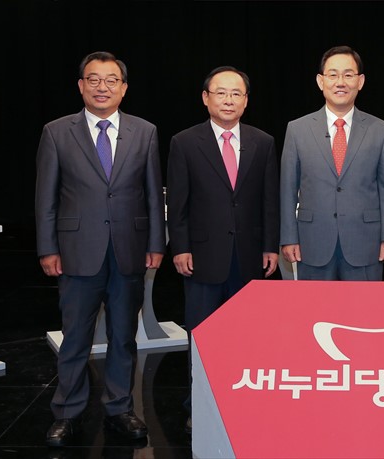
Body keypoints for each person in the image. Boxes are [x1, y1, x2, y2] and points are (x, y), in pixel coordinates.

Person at [35, 51, 165, 446]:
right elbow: (46, 198)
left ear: (124, 88)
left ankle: (119, 408)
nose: (102, 87)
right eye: (93, 79)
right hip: (76, 251)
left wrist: (155, 243)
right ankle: (67, 412)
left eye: (111, 80)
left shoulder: (145, 131)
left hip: (129, 250)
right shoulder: (57, 132)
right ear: (81, 86)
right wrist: (47, 248)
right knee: (75, 337)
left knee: (124, 336)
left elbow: (151, 193)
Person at [166, 66, 279, 434]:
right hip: (201, 257)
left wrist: (270, 246)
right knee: (202, 335)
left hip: (249, 256)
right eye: (221, 93)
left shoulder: (263, 142)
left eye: (236, 94)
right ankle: (198, 405)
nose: (228, 100)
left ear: (246, 101)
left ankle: (242, 403)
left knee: (247, 337)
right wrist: (180, 247)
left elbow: (270, 201)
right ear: (206, 98)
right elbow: (178, 203)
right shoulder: (185, 142)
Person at [280, 45, 384, 280]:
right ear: (320, 81)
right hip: (312, 241)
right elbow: (288, 189)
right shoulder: (297, 130)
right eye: (333, 75)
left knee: (363, 305)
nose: (340, 82)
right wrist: (289, 237)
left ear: (360, 81)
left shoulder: (380, 130)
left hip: (365, 242)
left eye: (348, 75)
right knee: (314, 304)